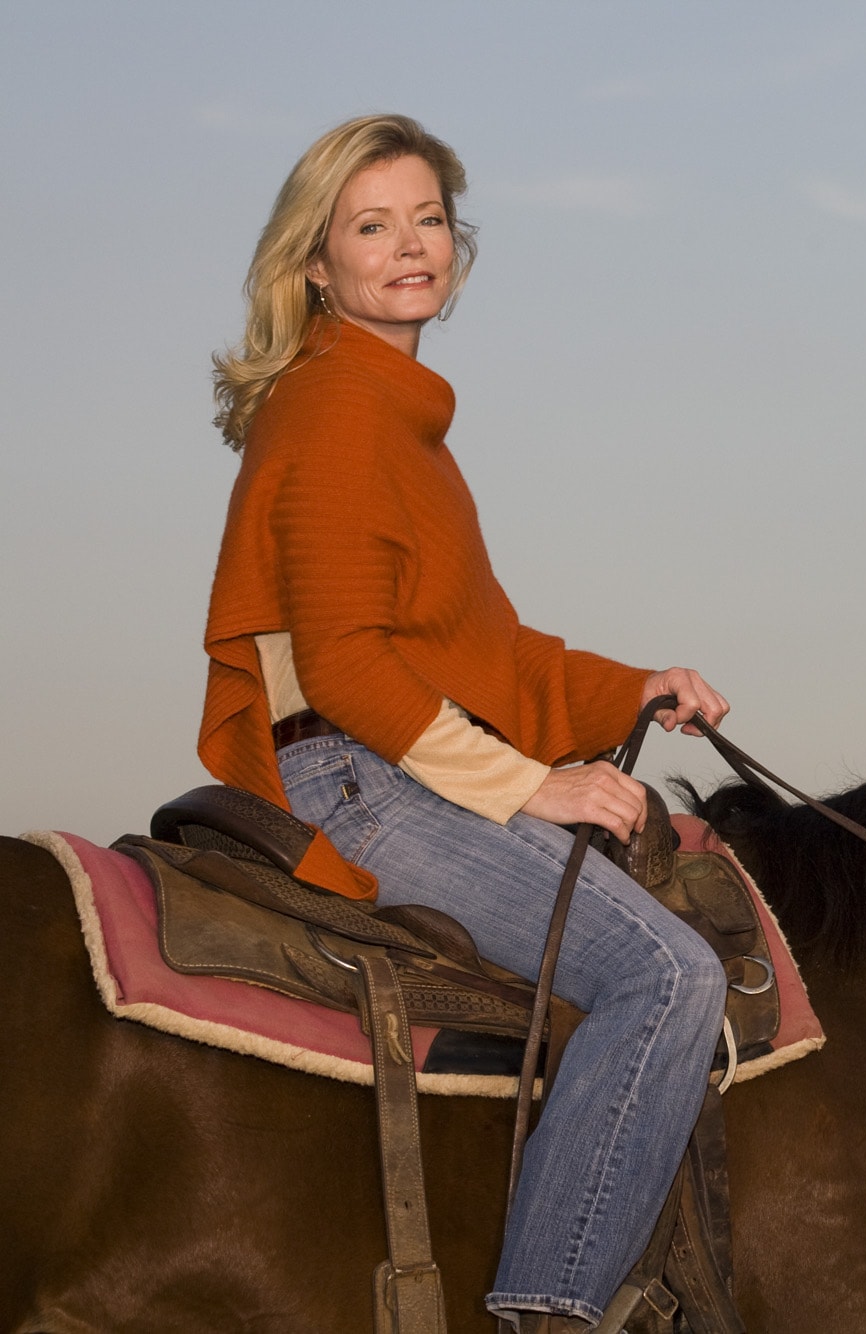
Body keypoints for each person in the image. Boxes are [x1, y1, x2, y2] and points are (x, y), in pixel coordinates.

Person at [200, 113, 728, 1332]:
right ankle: (545, 1311)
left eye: (427, 218)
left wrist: (633, 684)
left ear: (458, 243)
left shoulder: (398, 416)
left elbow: (488, 651)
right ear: (316, 264)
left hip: (385, 753)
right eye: (370, 225)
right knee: (664, 971)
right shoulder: (335, 403)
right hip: (357, 776)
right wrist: (529, 787)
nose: (408, 245)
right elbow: (343, 665)